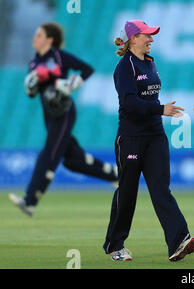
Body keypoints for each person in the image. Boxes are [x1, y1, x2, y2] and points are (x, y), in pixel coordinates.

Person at [103, 20, 194, 262]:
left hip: (155, 136)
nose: (151, 39)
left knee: (161, 190)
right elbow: (129, 103)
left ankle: (179, 241)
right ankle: (115, 245)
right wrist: (160, 109)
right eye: (147, 35)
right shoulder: (125, 67)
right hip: (131, 138)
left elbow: (146, 100)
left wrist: (158, 112)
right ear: (133, 38)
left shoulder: (150, 63)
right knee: (127, 192)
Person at [8, 22, 119, 217]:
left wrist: (70, 84)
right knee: (73, 161)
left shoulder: (58, 56)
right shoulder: (34, 62)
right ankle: (115, 174)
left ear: (50, 40)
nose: (35, 38)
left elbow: (87, 69)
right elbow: (32, 93)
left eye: (39, 35)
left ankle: (30, 200)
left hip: (64, 113)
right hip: (49, 116)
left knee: (48, 154)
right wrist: (31, 86)